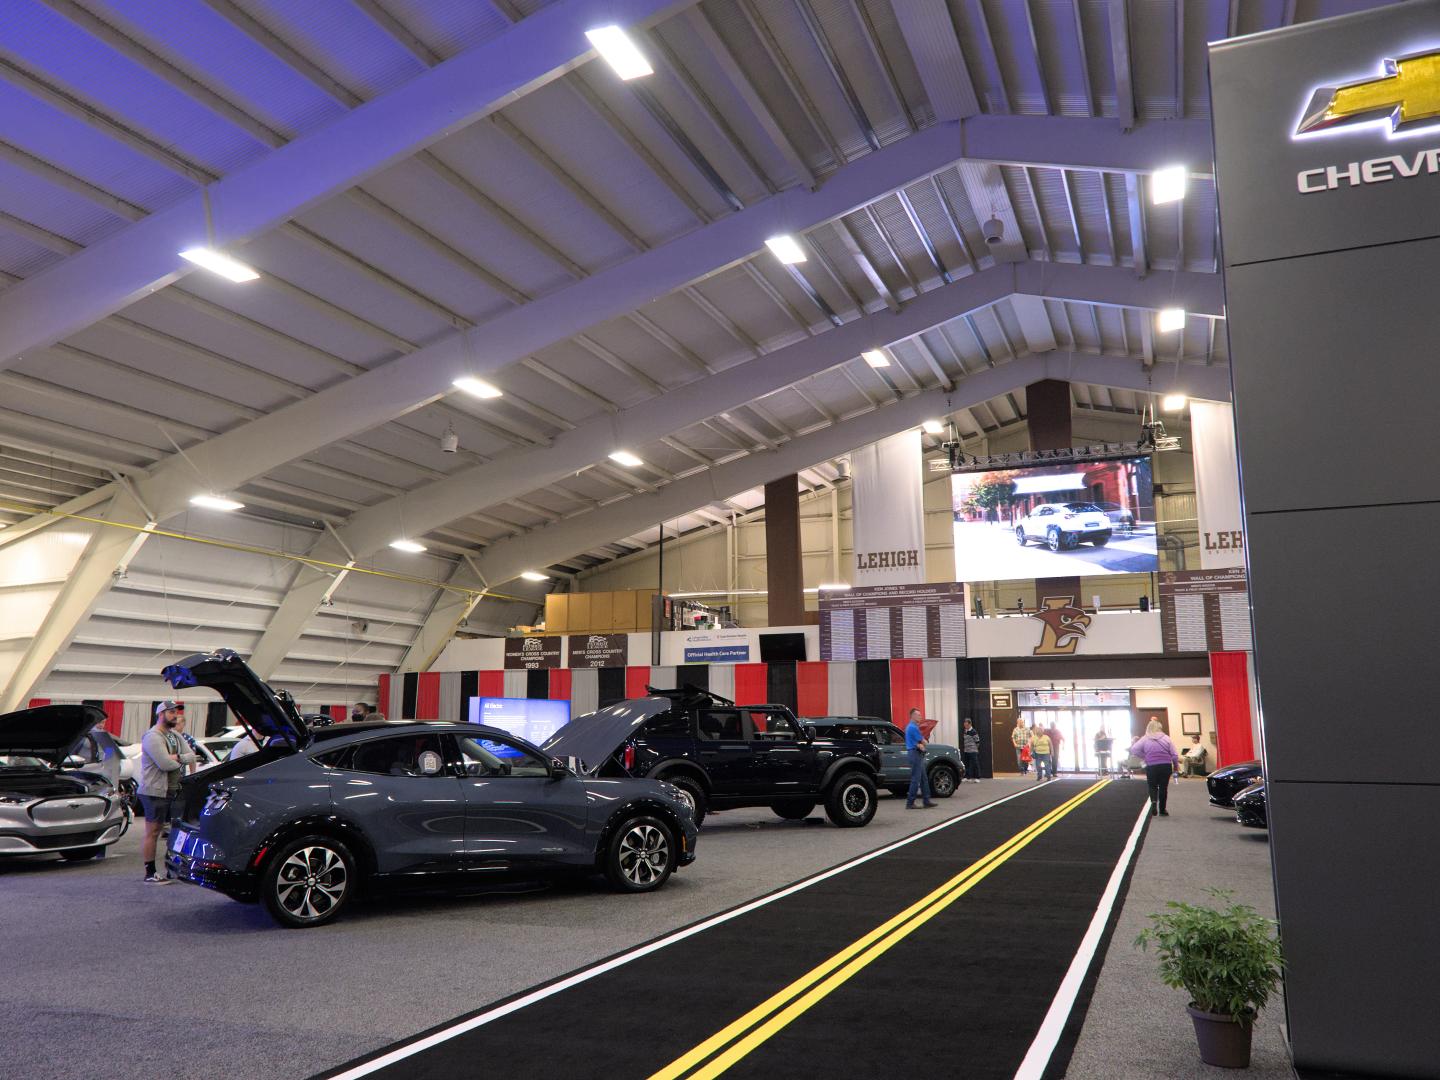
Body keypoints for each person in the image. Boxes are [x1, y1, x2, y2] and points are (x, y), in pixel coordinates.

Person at [139, 700, 196, 883]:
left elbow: (191, 755)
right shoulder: (152, 736)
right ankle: (150, 872)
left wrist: (176, 757)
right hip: (154, 791)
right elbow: (164, 764)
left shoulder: (175, 736)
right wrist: (178, 759)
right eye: (171, 712)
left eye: (176, 713)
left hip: (173, 790)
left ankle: (172, 868)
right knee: (153, 831)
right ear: (161, 714)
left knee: (176, 831)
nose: (175, 716)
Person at [1131, 718, 1181, 817]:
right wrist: (1175, 766)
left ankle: (1154, 803)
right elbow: (1174, 755)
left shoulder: (1145, 738)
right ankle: (1162, 810)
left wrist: (1145, 756)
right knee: (1163, 787)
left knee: (1152, 786)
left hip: (1151, 766)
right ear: (1160, 728)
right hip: (1165, 766)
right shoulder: (1166, 738)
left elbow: (1134, 749)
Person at [904, 708, 935, 809]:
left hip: (915, 753)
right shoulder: (913, 727)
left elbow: (917, 742)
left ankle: (926, 800)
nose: (920, 717)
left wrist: (921, 743)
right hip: (915, 754)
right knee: (916, 780)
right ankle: (910, 802)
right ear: (912, 716)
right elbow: (922, 741)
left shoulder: (910, 727)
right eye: (918, 715)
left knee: (923, 779)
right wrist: (924, 741)